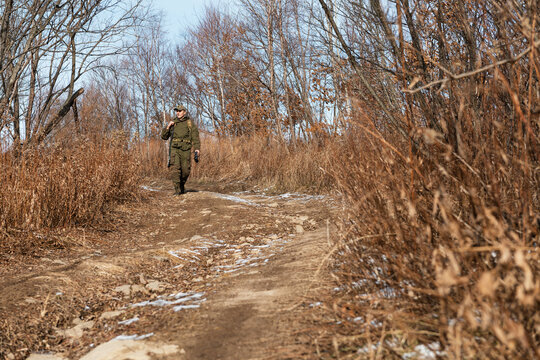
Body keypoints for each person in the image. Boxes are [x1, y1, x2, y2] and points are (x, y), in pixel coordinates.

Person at [161, 105, 201, 195]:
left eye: (179, 111)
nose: (177, 113)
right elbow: (164, 137)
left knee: (186, 170)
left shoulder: (190, 123)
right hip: (175, 149)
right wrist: (168, 127)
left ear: (184, 112)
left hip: (186, 149)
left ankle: (181, 185)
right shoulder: (173, 123)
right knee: (175, 169)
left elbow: (195, 137)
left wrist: (197, 149)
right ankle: (177, 190)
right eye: (176, 111)